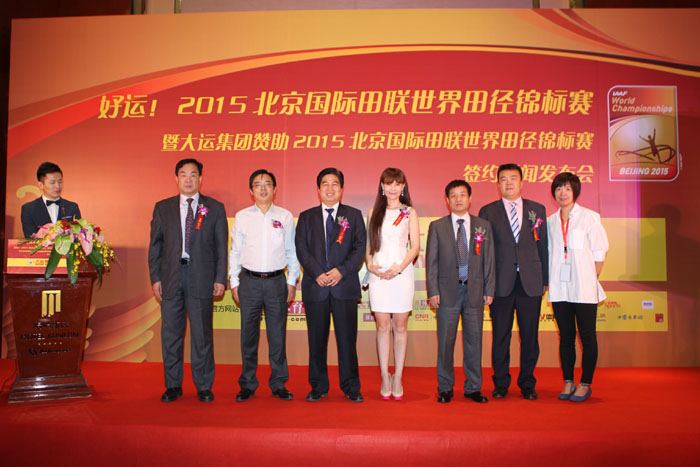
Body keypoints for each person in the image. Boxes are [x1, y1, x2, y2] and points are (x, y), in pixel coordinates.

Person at [148, 158, 228, 403]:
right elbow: (155, 246)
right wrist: (156, 278)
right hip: (171, 277)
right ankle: (173, 385)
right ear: (176, 178)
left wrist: (220, 278)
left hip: (202, 277)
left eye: (193, 174)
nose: (188, 179)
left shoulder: (215, 208)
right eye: (184, 174)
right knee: (171, 335)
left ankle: (204, 386)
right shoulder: (163, 208)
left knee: (202, 335)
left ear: (200, 179)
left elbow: (221, 247)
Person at [295, 168, 367, 402]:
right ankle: (318, 386)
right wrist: (317, 273)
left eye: (334, 183)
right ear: (318, 189)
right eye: (325, 184)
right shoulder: (306, 217)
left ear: (341, 188)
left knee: (347, 341)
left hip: (344, 287)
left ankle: (351, 386)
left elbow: (360, 248)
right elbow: (301, 249)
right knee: (316, 340)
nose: (329, 188)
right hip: (316, 287)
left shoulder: (353, 215)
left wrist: (341, 271)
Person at [229, 169, 300, 402]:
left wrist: (291, 281)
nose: (263, 188)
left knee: (277, 336)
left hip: (276, 282)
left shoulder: (285, 217)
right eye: (258, 185)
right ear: (251, 191)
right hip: (249, 282)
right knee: (248, 336)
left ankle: (279, 383)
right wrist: (234, 281)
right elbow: (235, 252)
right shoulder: (242, 217)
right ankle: (247, 383)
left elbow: (292, 251)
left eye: (267, 184)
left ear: (274, 189)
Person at [478, 163, 548, 400]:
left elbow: (543, 247)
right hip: (500, 283)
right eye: (504, 179)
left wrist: (545, 279)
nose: (509, 183)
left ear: (522, 182)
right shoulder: (488, 211)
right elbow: (483, 251)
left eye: (513, 178)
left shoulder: (537, 209)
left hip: (530, 281)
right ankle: (500, 383)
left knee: (530, 336)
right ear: (498, 184)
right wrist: (486, 282)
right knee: (501, 336)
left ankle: (527, 383)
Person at [426, 180, 495, 403]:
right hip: (447, 292)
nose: (458, 199)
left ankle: (473, 387)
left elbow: (489, 260)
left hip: (475, 291)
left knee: (474, 342)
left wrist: (489, 288)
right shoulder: (437, 226)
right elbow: (431, 262)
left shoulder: (483, 226)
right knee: (446, 343)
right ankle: (445, 387)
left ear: (470, 198)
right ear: (447, 200)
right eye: (453, 195)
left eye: (462, 195)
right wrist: (433, 290)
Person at [547, 172, 609, 402]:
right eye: (558, 188)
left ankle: (585, 383)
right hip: (560, 288)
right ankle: (568, 381)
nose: (562, 193)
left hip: (583, 288)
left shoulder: (590, 217)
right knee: (565, 337)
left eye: (567, 188)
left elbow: (600, 252)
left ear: (575, 191)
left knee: (587, 337)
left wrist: (590, 279)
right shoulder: (550, 222)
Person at [365, 168, 420, 401]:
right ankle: (384, 377)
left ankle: (397, 376)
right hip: (379, 276)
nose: (393, 188)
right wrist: (370, 265)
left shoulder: (409, 212)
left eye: (397, 183)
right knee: (382, 327)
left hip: (401, 275)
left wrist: (399, 267)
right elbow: (370, 247)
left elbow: (415, 247)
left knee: (400, 327)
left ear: (403, 186)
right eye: (389, 183)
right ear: (382, 186)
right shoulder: (373, 212)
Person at [21, 162, 81, 238]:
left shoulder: (72, 207)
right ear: (41, 185)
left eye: (60, 181)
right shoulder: (29, 209)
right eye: (52, 182)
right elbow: (30, 238)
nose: (57, 186)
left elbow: (78, 235)